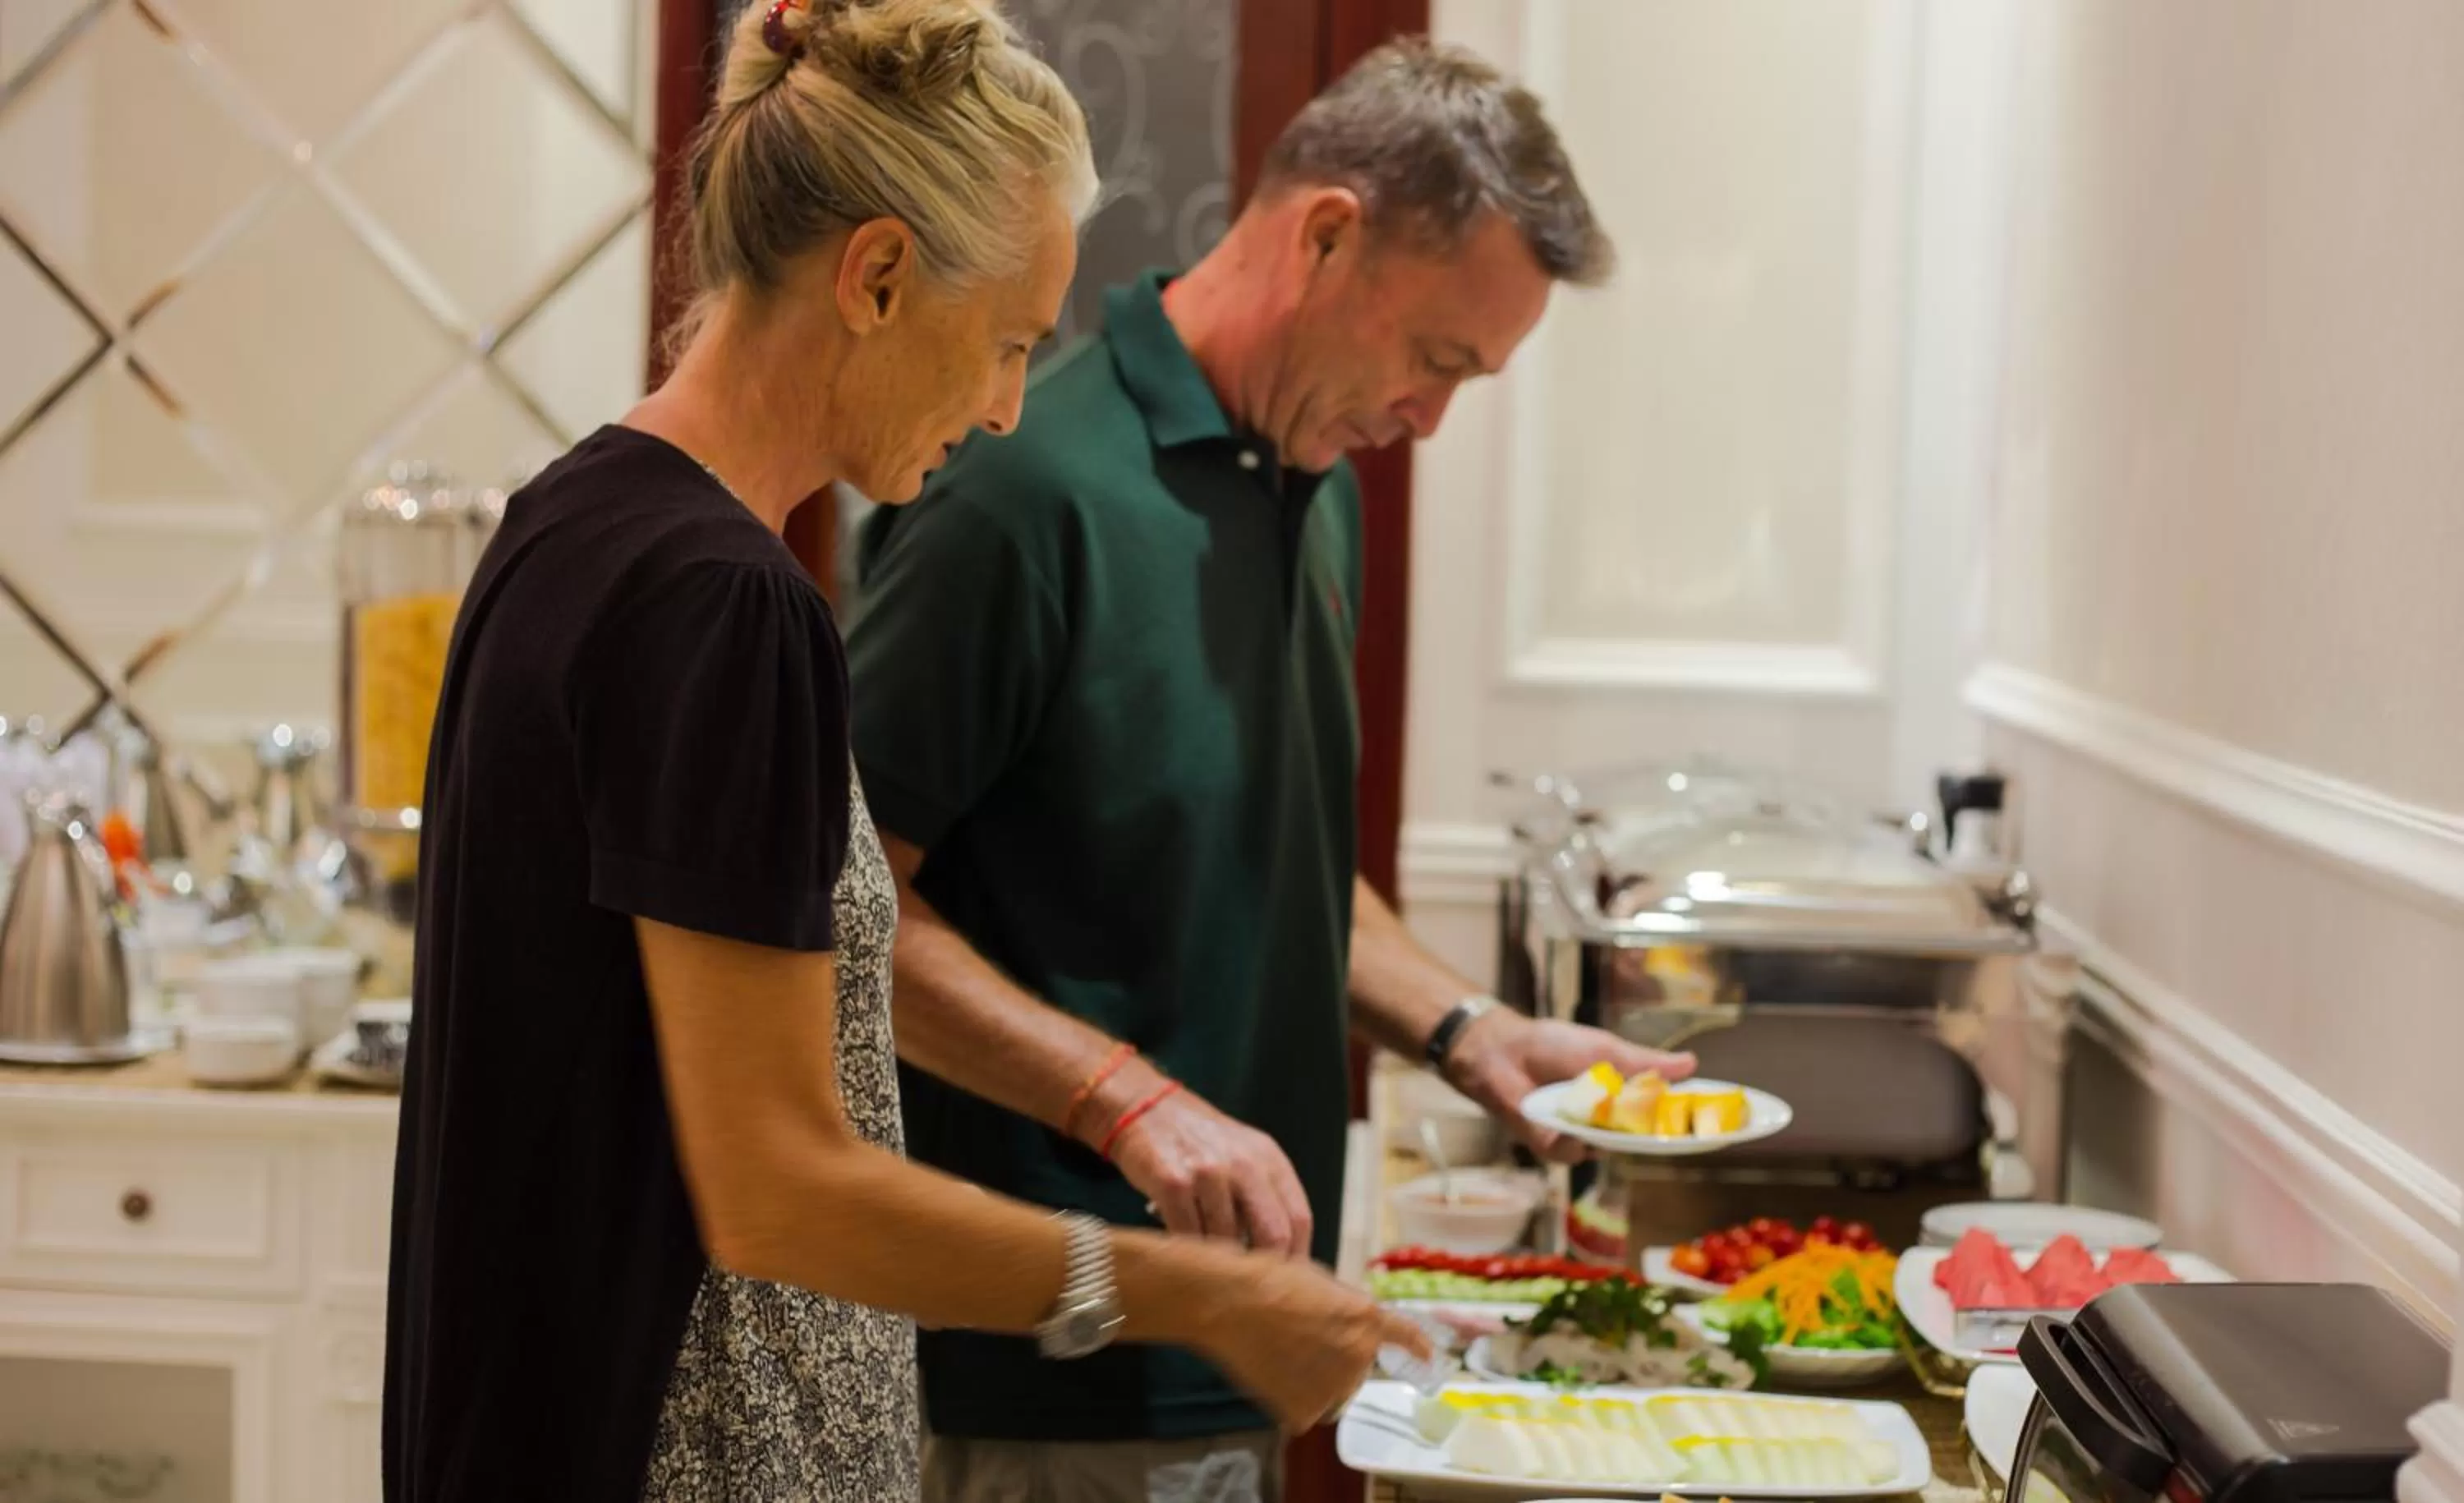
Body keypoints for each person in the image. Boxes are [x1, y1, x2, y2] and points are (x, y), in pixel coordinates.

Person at [381, 3, 1426, 1500]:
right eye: (1005, 342)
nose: (1006, 407)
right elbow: (779, 1188)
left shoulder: (570, 521)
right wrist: (1194, 1292)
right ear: (875, 276)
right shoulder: (725, 605)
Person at [846, 34, 1694, 1503]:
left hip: (1243, 1341)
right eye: (1437, 359)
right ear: (1326, 235)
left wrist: (1473, 1031)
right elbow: (838, 908)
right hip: (1050, 1373)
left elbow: (1269, 856)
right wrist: (1128, 1099)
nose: (1431, 420)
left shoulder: (1313, 485)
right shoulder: (1022, 492)